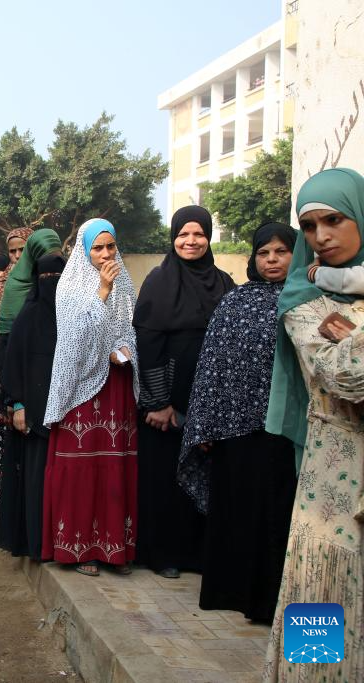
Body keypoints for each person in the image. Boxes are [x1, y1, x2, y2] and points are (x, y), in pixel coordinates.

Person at [263, 168, 364, 683]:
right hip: (333, 480)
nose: (322, 236)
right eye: (310, 225)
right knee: (320, 590)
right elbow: (346, 378)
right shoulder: (303, 302)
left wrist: (356, 334)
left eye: (335, 220)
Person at [175, 222, 297, 624]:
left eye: (281, 252)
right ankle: (241, 597)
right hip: (237, 432)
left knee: (280, 517)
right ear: (253, 258)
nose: (272, 260)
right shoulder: (235, 302)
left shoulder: (309, 301)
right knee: (242, 514)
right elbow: (212, 366)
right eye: (264, 253)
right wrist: (205, 426)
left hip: (290, 432)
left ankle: (278, 605)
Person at [134, 206, 235, 579]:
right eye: (183, 234)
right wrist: (158, 403)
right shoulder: (159, 281)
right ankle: (163, 554)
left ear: (209, 238)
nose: (190, 241)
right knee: (165, 478)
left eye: (198, 234)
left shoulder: (224, 283)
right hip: (166, 400)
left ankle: (198, 553)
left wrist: (218, 407)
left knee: (206, 473)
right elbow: (146, 341)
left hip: (207, 397)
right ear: (173, 237)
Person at [42, 219, 139, 576]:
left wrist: (122, 348)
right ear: (84, 250)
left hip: (115, 389)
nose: (106, 254)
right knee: (81, 472)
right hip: (80, 392)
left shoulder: (125, 283)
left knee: (114, 468)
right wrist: (101, 290)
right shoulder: (69, 287)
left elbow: (130, 328)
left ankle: (115, 550)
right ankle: (78, 550)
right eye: (97, 248)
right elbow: (73, 341)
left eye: (110, 247)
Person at [0, 229, 62, 523]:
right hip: (15, 386)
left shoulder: (66, 286)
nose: (16, 257)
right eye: (12, 251)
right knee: (19, 461)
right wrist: (13, 398)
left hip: (56, 391)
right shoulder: (8, 286)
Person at [2, 252, 67, 560]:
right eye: (45, 279)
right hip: (35, 416)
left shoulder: (73, 314)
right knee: (36, 481)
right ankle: (38, 544)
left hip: (68, 416)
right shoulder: (27, 317)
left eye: (57, 278)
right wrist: (18, 405)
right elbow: (12, 365)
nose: (50, 284)